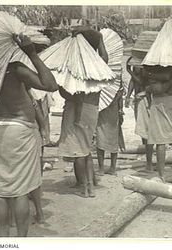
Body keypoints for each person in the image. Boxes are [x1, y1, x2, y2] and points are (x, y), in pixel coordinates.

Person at [0, 34, 58, 237]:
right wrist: (32, 54)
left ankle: (5, 239)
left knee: (2, 190)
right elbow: (51, 85)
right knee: (20, 190)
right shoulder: (15, 69)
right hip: (19, 131)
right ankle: (21, 241)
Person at [58, 19, 108, 198]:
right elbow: (104, 56)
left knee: (78, 151)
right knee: (86, 149)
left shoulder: (75, 69)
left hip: (76, 111)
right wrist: (98, 39)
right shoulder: (99, 67)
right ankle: (90, 187)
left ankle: (84, 187)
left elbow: (67, 95)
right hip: (92, 109)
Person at [144, 65, 172, 184]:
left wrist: (149, 75)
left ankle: (162, 176)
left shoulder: (158, 62)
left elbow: (160, 84)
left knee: (160, 140)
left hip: (161, 100)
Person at [125, 57, 154, 171]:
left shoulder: (147, 61)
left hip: (146, 98)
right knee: (142, 127)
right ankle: (145, 151)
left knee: (147, 129)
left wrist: (129, 71)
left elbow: (142, 82)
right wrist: (128, 95)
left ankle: (149, 159)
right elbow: (133, 81)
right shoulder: (136, 60)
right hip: (139, 97)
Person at [96, 86, 124, 176]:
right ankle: (111, 168)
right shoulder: (116, 85)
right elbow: (120, 99)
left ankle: (104, 168)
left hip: (107, 112)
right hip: (109, 113)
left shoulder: (101, 84)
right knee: (109, 140)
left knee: (104, 139)